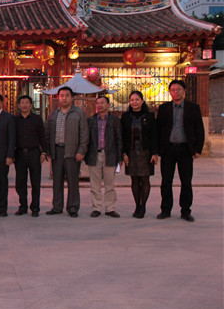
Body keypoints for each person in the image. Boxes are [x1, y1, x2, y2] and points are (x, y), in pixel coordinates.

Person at [156, 79, 204, 222]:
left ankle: (186, 211)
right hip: (168, 149)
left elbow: (199, 129)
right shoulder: (164, 108)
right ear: (170, 92)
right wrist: (158, 150)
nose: (175, 92)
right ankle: (165, 210)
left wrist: (198, 149)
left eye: (178, 89)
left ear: (184, 91)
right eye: (173, 90)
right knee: (166, 182)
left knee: (186, 182)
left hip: (185, 150)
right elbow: (158, 130)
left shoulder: (193, 108)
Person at [45, 87, 89, 218]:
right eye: (62, 95)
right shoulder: (54, 114)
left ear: (72, 98)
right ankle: (57, 207)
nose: (64, 98)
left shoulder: (79, 113)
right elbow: (48, 134)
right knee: (57, 181)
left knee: (72, 181)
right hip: (57, 152)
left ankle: (73, 207)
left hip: (72, 152)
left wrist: (81, 151)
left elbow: (84, 134)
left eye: (67, 95)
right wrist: (48, 151)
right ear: (58, 97)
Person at [121, 91, 158, 219]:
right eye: (132, 100)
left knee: (145, 179)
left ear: (142, 101)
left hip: (145, 152)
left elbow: (154, 135)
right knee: (134, 180)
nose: (134, 102)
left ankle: (143, 206)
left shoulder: (150, 116)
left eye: (137, 99)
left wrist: (154, 153)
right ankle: (137, 205)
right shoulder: (126, 117)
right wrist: (123, 153)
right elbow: (122, 136)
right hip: (131, 152)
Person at [85, 96, 123, 218]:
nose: (99, 105)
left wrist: (120, 157)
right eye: (97, 103)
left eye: (102, 103)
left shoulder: (115, 120)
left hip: (110, 155)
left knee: (109, 185)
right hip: (94, 155)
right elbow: (86, 139)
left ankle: (110, 208)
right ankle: (96, 208)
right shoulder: (91, 120)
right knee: (95, 185)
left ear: (108, 105)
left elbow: (119, 139)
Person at [14, 95, 47, 218]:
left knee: (35, 182)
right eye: (22, 103)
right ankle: (23, 206)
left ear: (31, 105)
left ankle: (35, 208)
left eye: (26, 103)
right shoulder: (15, 120)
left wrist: (44, 152)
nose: (24, 105)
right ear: (19, 105)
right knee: (20, 182)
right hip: (20, 154)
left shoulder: (37, 119)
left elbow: (42, 136)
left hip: (34, 153)